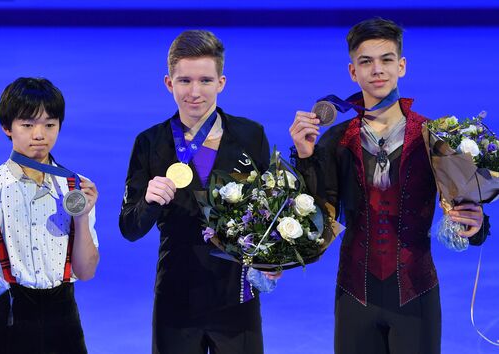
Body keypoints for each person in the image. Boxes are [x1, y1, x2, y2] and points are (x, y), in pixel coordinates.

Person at [289, 18, 489, 354]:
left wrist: (477, 223)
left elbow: (466, 207)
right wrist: (306, 156)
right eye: (366, 61)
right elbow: (317, 217)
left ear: (402, 66)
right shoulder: (337, 141)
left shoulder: (434, 138)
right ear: (353, 71)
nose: (377, 70)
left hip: (417, 293)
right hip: (354, 293)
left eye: (386, 59)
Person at [119, 30, 272, 354]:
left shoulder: (250, 135)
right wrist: (149, 202)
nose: (195, 92)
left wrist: (272, 260)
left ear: (221, 82)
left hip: (237, 298)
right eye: (185, 81)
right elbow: (130, 229)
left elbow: (268, 214)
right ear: (168, 83)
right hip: (176, 299)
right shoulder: (150, 143)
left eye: (205, 80)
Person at [0, 77, 100, 354]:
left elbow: (86, 271)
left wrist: (82, 216)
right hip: (5, 320)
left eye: (50, 124)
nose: (40, 134)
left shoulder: (78, 188)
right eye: (28, 124)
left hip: (64, 319)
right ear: (7, 127)